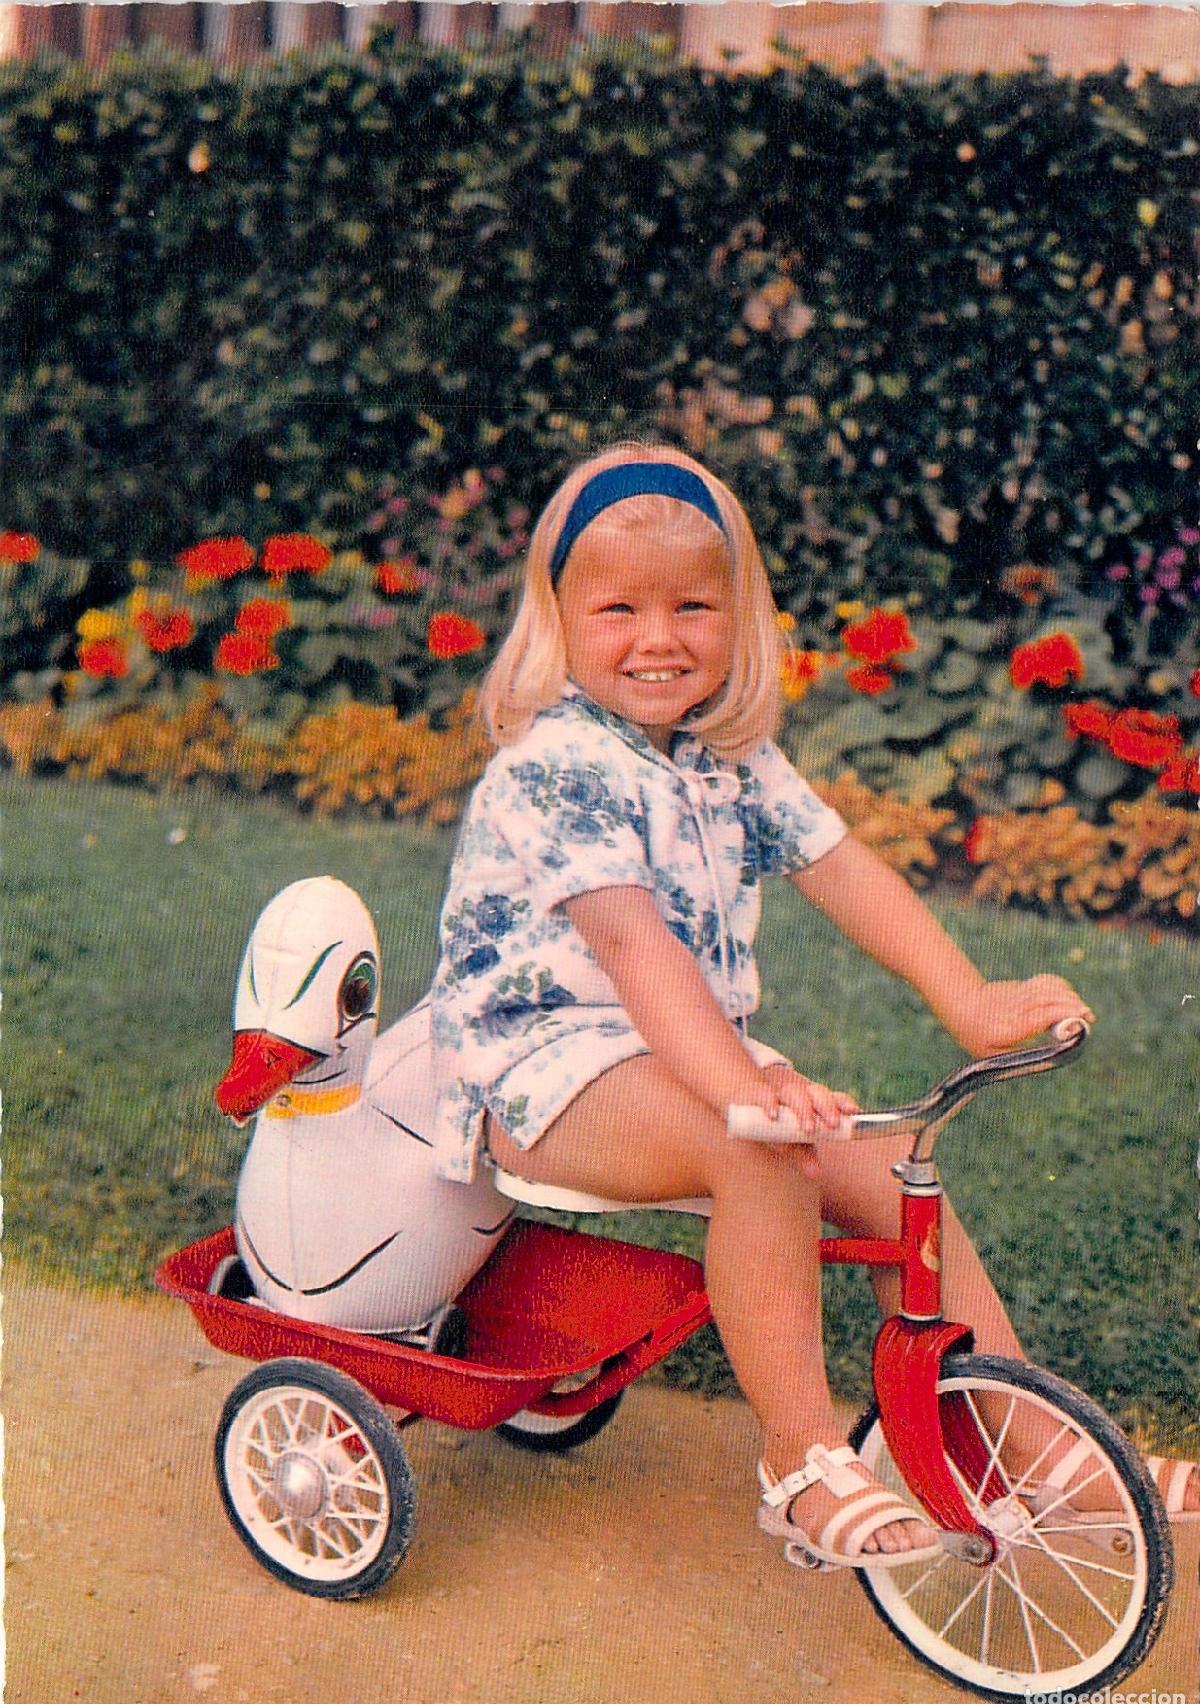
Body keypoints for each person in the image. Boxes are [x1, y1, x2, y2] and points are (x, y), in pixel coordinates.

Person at [429, 442, 1194, 1566]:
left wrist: (970, 998)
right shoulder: (556, 765)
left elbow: (845, 872)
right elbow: (635, 949)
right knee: (759, 1156)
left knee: (887, 1170)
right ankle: (798, 1462)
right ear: (558, 616)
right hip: (537, 1069)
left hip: (676, 1051)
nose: (658, 638)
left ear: (740, 615)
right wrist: (744, 1089)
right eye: (619, 609)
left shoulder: (725, 754)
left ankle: (1044, 1447)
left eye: (693, 605)